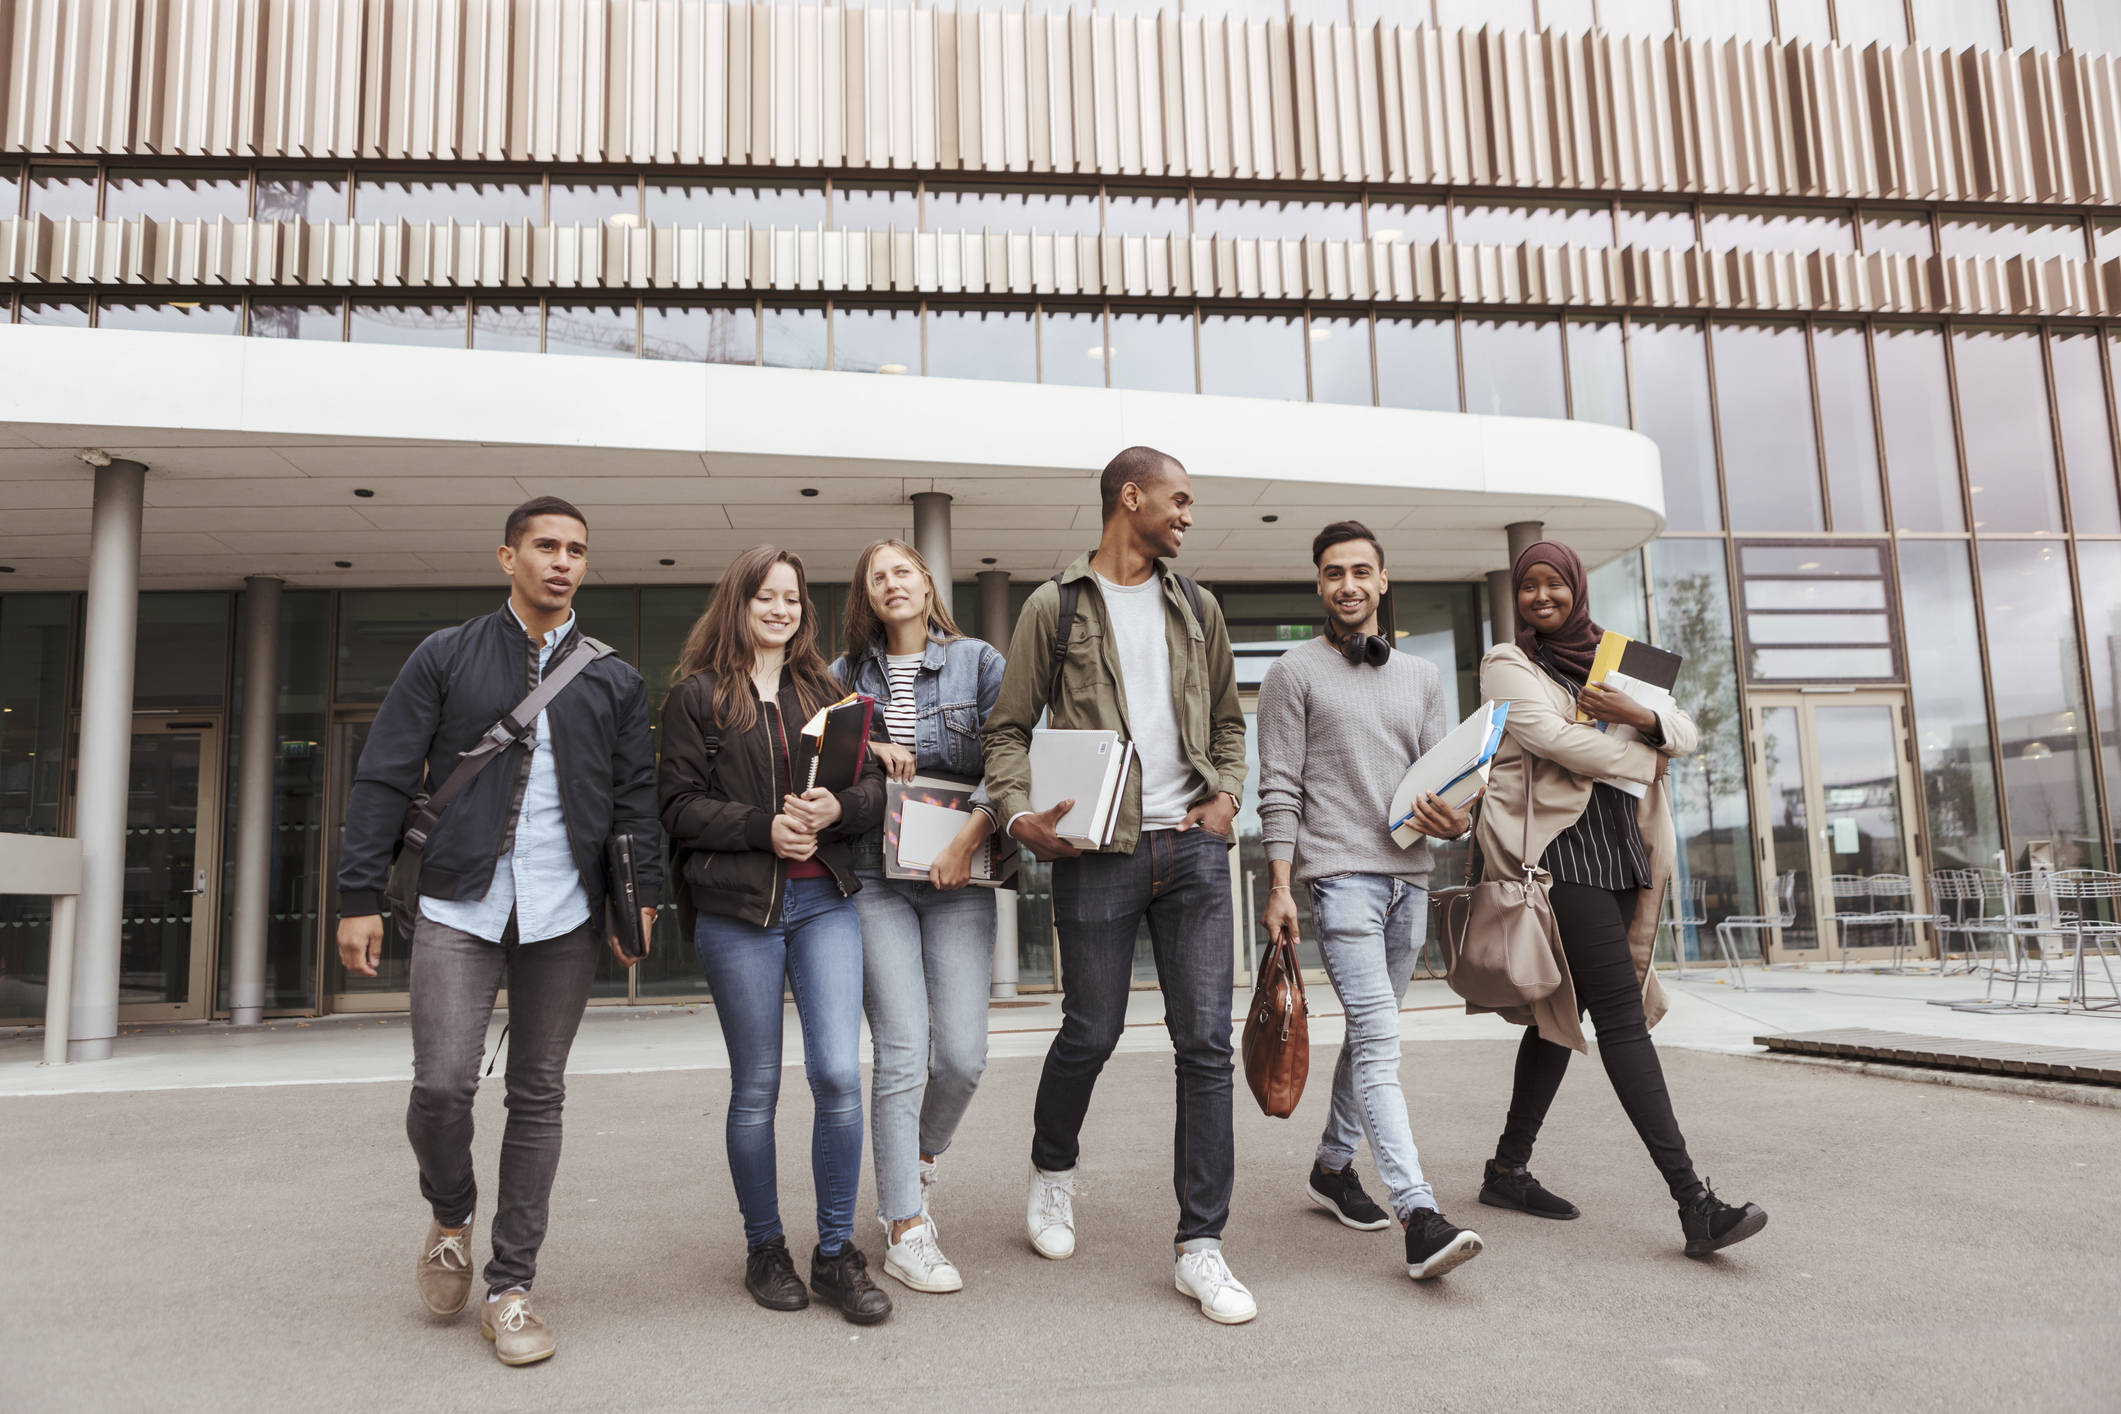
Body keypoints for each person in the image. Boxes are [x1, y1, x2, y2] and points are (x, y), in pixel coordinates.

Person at [336, 495, 661, 1367]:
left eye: (577, 551)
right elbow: (382, 777)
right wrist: (357, 894)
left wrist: (643, 901)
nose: (562, 561)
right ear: (506, 558)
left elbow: (636, 802)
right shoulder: (445, 655)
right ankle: (450, 1212)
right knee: (442, 1087)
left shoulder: (613, 678)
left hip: (566, 911)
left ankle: (511, 1285)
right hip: (458, 901)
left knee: (537, 1093)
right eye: (545, 547)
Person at [983, 445, 1254, 1325]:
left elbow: (1223, 717)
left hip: (1192, 852)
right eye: (1176, 501)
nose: (1186, 515)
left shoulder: (1197, 604)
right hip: (1098, 853)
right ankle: (1052, 1171)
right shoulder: (1052, 607)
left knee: (1205, 1044)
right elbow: (1008, 730)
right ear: (1127, 498)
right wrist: (1021, 817)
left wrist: (1225, 797)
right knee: (1090, 1031)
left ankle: (1201, 1246)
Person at [1472, 540, 1768, 1258]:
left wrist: (1638, 711)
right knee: (1618, 1018)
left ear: (1575, 587)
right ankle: (1692, 1202)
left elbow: (1687, 731)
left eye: (1554, 584)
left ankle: (1507, 1168)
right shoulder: (1507, 663)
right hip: (1558, 860)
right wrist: (1645, 747)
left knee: (1558, 1018)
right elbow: (1552, 740)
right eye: (1528, 586)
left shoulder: (1619, 655)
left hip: (1622, 855)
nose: (1541, 596)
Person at [657, 545, 894, 1324]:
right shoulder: (698, 698)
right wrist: (764, 829)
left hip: (822, 902)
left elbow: (871, 783)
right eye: (766, 596)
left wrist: (838, 812)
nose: (781, 609)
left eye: (792, 598)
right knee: (756, 1088)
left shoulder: (828, 691)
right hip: (738, 915)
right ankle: (766, 1247)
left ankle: (834, 1254)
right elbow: (679, 808)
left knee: (837, 1074)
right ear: (740, 602)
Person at [1256, 520, 1487, 1282]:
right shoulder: (1293, 673)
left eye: (1360, 571)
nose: (1347, 584)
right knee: (1381, 1042)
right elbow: (1279, 788)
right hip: (1339, 881)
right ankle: (1418, 1213)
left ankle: (1330, 1166)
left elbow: (1444, 777)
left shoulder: (1420, 676)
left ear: (1382, 581)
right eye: (1332, 573)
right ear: (1318, 586)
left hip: (1408, 880)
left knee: (1367, 1037)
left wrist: (1459, 819)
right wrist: (1280, 885)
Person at [830, 538, 1007, 1296]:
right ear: (866, 596)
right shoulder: (841, 678)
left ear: (925, 581)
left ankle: (918, 1159)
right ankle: (905, 1223)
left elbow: (1010, 758)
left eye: (902, 570)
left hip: (958, 874)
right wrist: (872, 751)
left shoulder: (977, 663)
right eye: (877, 577)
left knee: (962, 1056)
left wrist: (970, 839)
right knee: (901, 1051)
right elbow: (821, 766)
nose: (891, 583)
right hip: (875, 877)